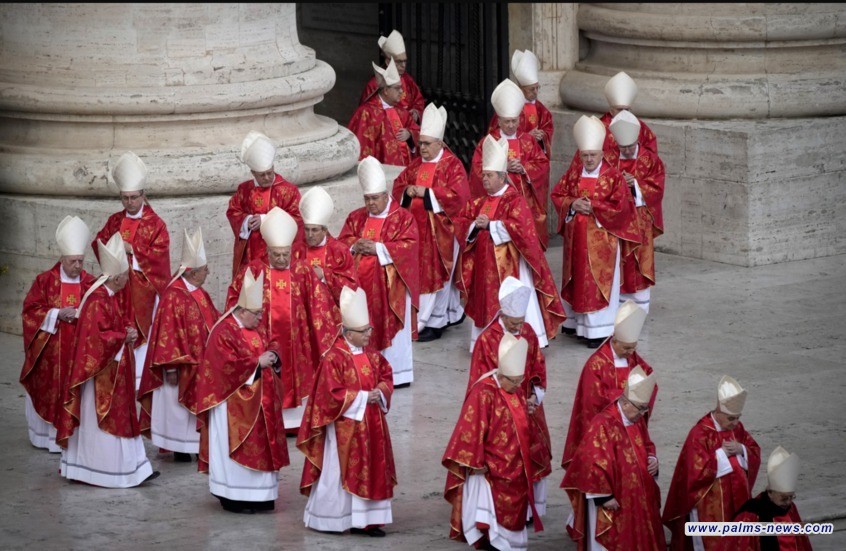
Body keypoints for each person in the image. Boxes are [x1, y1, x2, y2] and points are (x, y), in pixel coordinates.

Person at [55, 232, 157, 487]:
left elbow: (110, 327)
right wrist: (124, 335)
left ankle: (134, 467)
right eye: (125, 277)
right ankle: (107, 470)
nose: (128, 280)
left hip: (111, 370)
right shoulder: (98, 299)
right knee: (104, 422)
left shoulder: (106, 295)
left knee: (122, 416)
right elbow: (95, 339)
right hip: (99, 377)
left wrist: (125, 332)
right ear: (117, 277)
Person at [226, 207, 339, 432]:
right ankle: (268, 417)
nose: (280, 259)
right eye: (275, 254)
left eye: (284, 254)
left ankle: (296, 423)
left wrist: (325, 336)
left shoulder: (302, 270)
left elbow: (320, 304)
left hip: (298, 343)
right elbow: (235, 301)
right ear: (267, 250)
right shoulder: (254, 270)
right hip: (263, 339)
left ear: (290, 250)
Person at [298, 286, 396, 537]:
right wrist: (364, 396)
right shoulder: (334, 358)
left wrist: (382, 391)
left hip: (372, 424)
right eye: (364, 331)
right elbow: (329, 395)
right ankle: (336, 519)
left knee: (374, 467)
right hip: (345, 428)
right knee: (340, 472)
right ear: (348, 332)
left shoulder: (372, 355)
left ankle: (368, 521)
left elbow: (386, 374)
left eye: (369, 329)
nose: (369, 334)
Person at [455, 135, 566, 353]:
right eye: (483, 175)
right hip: (484, 265)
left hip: (511, 265)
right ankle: (487, 341)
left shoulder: (514, 199)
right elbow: (461, 223)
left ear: (502, 176)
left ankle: (521, 340)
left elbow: (522, 230)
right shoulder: (480, 201)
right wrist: (474, 227)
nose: (484, 179)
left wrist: (492, 226)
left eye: (489, 175)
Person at [192, 269, 287, 514]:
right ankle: (233, 497)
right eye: (256, 313)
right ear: (241, 311)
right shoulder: (223, 332)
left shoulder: (254, 325)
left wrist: (274, 355)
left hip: (262, 403)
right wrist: (257, 363)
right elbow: (223, 368)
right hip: (233, 407)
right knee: (236, 454)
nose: (260, 318)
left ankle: (262, 496)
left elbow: (271, 343)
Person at [444, 332, 543, 551]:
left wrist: (527, 411)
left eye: (520, 381)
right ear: (502, 375)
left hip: (515, 466)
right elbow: (470, 429)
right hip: (489, 468)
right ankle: (490, 540)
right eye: (514, 382)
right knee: (488, 517)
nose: (518, 386)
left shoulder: (514, 389)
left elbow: (516, 421)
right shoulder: (483, 392)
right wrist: (476, 462)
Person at [467, 277, 553, 523]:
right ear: (502, 316)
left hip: (527, 406)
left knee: (535, 452)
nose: (518, 328)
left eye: (521, 322)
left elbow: (538, 367)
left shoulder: (527, 332)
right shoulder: (487, 340)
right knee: (505, 462)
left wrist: (534, 396)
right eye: (514, 323)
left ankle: (528, 510)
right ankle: (499, 512)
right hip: (499, 413)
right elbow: (479, 383)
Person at [551, 115, 640, 348]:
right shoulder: (574, 173)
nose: (588, 160)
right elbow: (557, 194)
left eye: (592, 155)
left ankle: (598, 330)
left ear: (601, 154)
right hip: (576, 240)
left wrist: (594, 208)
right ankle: (578, 325)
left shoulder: (612, 177)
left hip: (602, 243)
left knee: (596, 284)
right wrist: (571, 203)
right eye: (585, 155)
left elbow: (623, 208)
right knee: (577, 280)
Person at [138, 228, 219, 463]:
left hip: (199, 364)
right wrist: (171, 367)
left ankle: (193, 446)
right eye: (205, 269)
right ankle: (179, 448)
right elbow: (166, 332)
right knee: (176, 411)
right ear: (193, 273)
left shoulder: (199, 292)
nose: (208, 272)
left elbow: (212, 319)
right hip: (179, 367)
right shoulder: (173, 295)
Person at [561, 367, 665, 550]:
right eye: (640, 409)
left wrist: (652, 459)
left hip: (637, 497)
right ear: (625, 403)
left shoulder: (635, 418)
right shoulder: (603, 424)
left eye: (644, 409)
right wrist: (604, 497)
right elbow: (591, 461)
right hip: (612, 498)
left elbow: (647, 444)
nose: (643, 414)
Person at [92, 151, 171, 389]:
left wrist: (132, 251)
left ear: (143, 195)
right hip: (117, 286)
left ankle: (138, 375)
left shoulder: (155, 224)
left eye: (134, 197)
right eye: (125, 198)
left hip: (141, 289)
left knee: (140, 332)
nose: (129, 203)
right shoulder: (115, 221)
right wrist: (113, 253)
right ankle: (117, 367)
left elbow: (160, 255)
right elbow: (100, 242)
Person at [339, 156, 419, 386]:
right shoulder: (356, 217)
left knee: (391, 332)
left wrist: (379, 248)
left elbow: (410, 246)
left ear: (386, 195)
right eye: (367, 199)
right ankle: (364, 370)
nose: (371, 204)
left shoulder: (402, 219)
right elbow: (342, 242)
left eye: (375, 198)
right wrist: (355, 245)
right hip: (361, 287)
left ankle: (398, 373)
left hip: (390, 288)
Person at [391, 103, 469, 342]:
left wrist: (427, 194)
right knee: (423, 275)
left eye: (426, 144)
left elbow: (459, 197)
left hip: (441, 230)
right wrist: (408, 191)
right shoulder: (415, 165)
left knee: (438, 276)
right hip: (416, 231)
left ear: (439, 143)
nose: (421, 148)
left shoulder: (452, 165)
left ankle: (435, 321)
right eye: (421, 143)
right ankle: (443, 315)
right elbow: (398, 186)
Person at [20, 216, 96, 453]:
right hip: (51, 355)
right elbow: (30, 311)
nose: (77, 266)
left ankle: (74, 437)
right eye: (73, 261)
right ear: (62, 259)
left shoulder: (91, 283)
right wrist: (55, 314)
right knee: (51, 389)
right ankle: (47, 439)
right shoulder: (45, 281)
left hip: (78, 352)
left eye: (81, 261)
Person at [663, 375, 761, 551]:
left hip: (738, 499)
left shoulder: (736, 428)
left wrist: (741, 449)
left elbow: (754, 451)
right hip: (709, 504)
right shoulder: (699, 433)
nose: (736, 423)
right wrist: (721, 454)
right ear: (719, 412)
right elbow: (695, 472)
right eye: (731, 418)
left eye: (738, 417)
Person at [561, 300, 657, 469]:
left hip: (629, 422)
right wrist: (625, 401)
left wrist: (639, 397)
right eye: (627, 348)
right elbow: (591, 404)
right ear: (615, 341)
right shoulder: (596, 365)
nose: (630, 353)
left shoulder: (631, 357)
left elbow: (648, 377)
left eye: (633, 348)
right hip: (605, 430)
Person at [471, 78, 551, 250]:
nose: (511, 125)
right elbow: (477, 169)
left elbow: (542, 164)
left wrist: (524, 168)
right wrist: (502, 167)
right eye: (506, 121)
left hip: (525, 202)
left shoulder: (528, 141)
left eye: (514, 121)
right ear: (498, 120)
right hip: (497, 203)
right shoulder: (489, 142)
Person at [608, 110, 665, 313]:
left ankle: (639, 305)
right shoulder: (609, 159)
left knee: (638, 260)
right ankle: (618, 302)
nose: (628, 150)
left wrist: (636, 185)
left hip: (640, 219)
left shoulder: (650, 160)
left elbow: (657, 188)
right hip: (618, 219)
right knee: (618, 261)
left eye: (631, 146)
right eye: (623, 147)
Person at [226, 130, 303, 279]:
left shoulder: (288, 190)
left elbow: (297, 218)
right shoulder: (244, 190)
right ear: (253, 173)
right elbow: (233, 211)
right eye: (262, 175)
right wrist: (247, 221)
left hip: (277, 254)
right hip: (251, 252)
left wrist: (265, 220)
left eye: (270, 172)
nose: (267, 177)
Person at [723, 446, 811, 551]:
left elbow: (802, 543)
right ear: (770, 492)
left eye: (791, 497)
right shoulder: (750, 516)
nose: (788, 502)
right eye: (783, 498)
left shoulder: (791, 508)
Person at [349, 58, 420, 166]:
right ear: (386, 91)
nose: (401, 91)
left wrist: (409, 134)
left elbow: (419, 133)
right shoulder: (366, 113)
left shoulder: (402, 112)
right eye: (397, 88)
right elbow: (362, 147)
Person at [295, 185, 359, 305]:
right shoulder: (297, 250)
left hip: (333, 311)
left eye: (314, 230)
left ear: (324, 230)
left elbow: (351, 286)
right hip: (303, 308)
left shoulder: (339, 250)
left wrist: (324, 275)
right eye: (307, 229)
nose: (309, 235)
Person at [488, 49, 554, 158]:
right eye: (532, 89)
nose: (536, 92)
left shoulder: (540, 108)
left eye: (537, 88)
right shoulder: (508, 106)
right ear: (521, 88)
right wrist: (527, 136)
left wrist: (542, 135)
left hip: (533, 153)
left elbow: (548, 127)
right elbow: (495, 134)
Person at [358, 29, 425, 123]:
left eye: (405, 61)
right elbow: (365, 116)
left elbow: (418, 101)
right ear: (388, 61)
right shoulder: (373, 85)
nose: (403, 65)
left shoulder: (407, 79)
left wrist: (416, 112)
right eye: (399, 61)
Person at [601, 71, 658, 156]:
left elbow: (651, 157)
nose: (623, 113)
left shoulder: (641, 127)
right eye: (619, 109)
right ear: (611, 111)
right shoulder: (599, 127)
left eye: (626, 109)